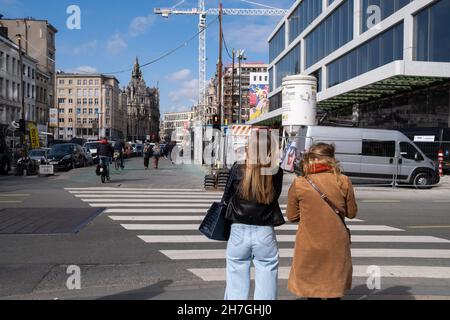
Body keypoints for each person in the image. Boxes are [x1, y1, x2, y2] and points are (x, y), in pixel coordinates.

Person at [286, 143, 358, 300]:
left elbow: (291, 216)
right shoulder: (344, 181)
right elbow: (352, 213)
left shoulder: (300, 183)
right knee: (334, 290)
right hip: (336, 244)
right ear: (331, 159)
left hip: (309, 244)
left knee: (312, 291)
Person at [221, 131, 284, 300]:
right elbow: (274, 197)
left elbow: (226, 197)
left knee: (236, 280)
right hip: (264, 230)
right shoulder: (276, 171)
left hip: (238, 229)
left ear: (250, 147)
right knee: (267, 276)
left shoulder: (237, 168)